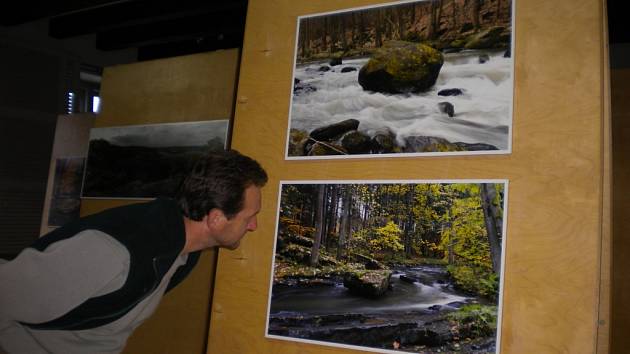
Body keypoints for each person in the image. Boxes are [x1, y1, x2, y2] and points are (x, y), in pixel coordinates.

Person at [0, 149, 268, 354]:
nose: (254, 226)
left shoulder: (183, 252)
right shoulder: (113, 252)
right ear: (217, 219)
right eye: (249, 217)